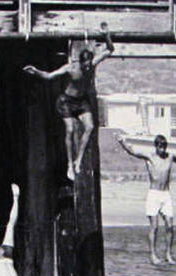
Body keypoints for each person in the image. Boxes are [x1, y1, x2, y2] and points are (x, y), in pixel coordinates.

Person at [23, 23, 114, 180]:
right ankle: (70, 164)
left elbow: (110, 50)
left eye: (89, 65)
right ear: (80, 62)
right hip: (66, 101)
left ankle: (79, 160)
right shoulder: (71, 68)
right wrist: (36, 72)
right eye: (85, 65)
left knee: (90, 127)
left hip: (81, 101)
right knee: (70, 130)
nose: (87, 68)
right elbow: (50, 76)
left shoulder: (92, 64)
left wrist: (107, 35)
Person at [117, 134, 176, 265]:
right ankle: (153, 255)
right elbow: (133, 152)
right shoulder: (150, 157)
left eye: (164, 147)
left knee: (170, 226)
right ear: (156, 146)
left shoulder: (170, 157)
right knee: (154, 227)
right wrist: (122, 142)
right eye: (160, 147)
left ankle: (168, 255)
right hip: (153, 194)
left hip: (166, 194)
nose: (163, 150)